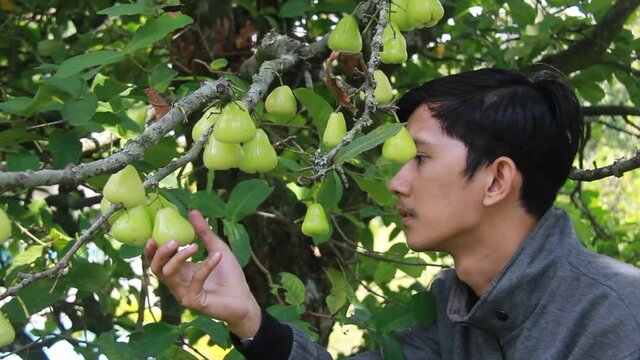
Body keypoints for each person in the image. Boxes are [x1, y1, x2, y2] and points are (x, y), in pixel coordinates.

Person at [144, 68, 640, 360]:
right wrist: (250, 319)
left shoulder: (617, 315)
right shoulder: (451, 305)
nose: (398, 182)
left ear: (496, 180)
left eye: (420, 159)